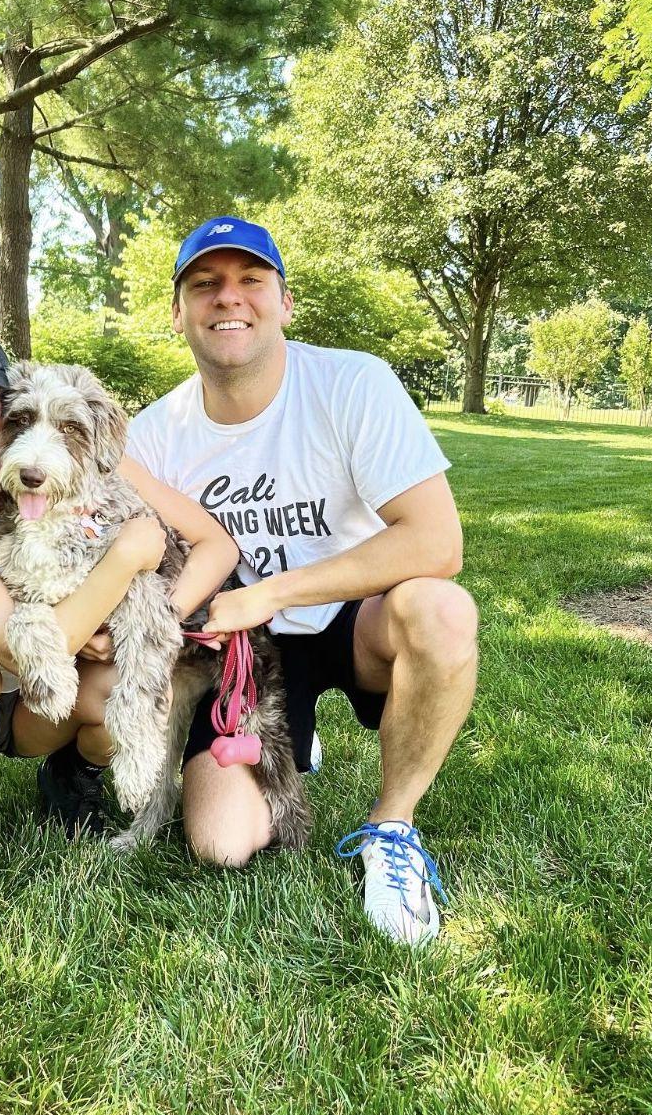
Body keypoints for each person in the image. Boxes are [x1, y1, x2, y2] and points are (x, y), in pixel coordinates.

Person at [123, 217, 479, 945]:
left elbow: (438, 541)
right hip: (241, 652)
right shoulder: (154, 435)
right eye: (205, 285)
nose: (230, 299)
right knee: (220, 842)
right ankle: (296, 736)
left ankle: (393, 829)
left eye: (251, 281)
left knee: (441, 610)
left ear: (284, 302)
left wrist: (274, 591)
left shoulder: (352, 382)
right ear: (178, 312)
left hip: (355, 620)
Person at [0, 316, 238, 889]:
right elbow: (21, 650)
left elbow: (216, 544)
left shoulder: (86, 457)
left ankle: (73, 773)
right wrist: (125, 559)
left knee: (133, 675)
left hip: (34, 703)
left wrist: (159, 612)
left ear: (10, 395)